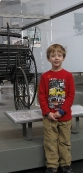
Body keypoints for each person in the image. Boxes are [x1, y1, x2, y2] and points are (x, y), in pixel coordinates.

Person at [38, 44, 75, 173]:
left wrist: (61, 111)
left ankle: (66, 164)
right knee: (50, 142)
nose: (56, 58)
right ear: (49, 58)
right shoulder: (45, 76)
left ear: (63, 57)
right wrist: (48, 112)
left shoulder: (68, 76)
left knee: (64, 141)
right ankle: (52, 165)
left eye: (59, 55)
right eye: (53, 55)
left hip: (64, 116)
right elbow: (41, 96)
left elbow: (70, 95)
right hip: (49, 117)